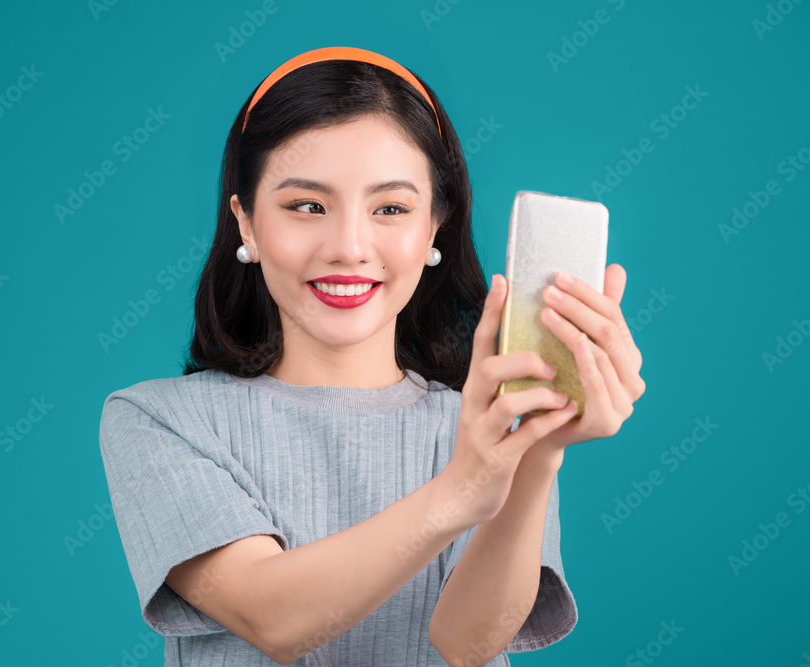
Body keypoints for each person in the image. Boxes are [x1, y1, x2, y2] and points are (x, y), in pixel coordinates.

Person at [98, 45, 645, 666]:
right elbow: (270, 616)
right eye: (307, 206)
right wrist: (461, 489)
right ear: (245, 222)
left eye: (390, 208)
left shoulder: (482, 424)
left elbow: (466, 644)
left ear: (436, 226)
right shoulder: (159, 420)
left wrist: (540, 449)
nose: (350, 247)